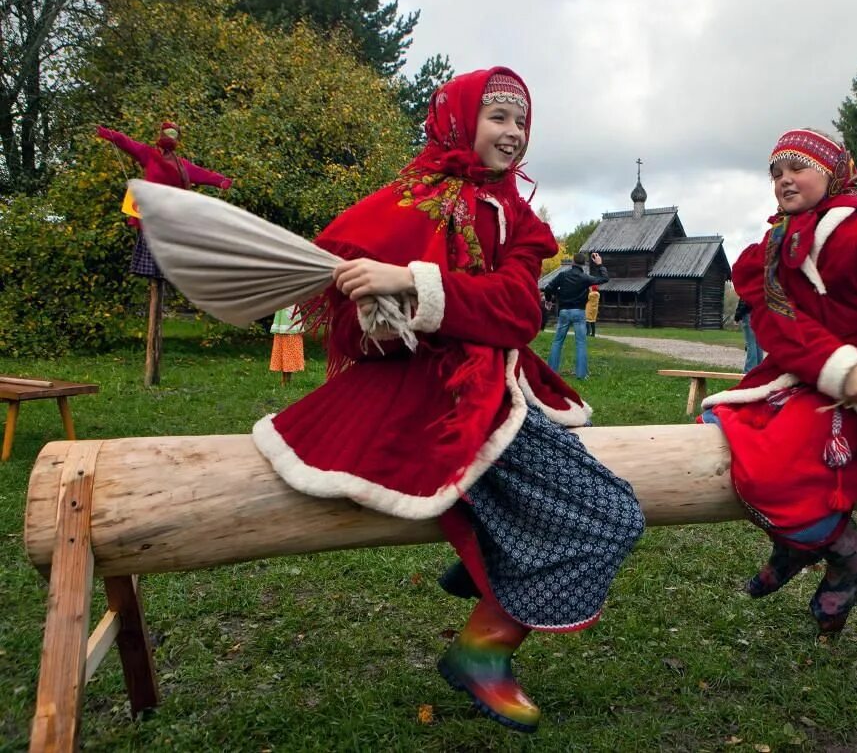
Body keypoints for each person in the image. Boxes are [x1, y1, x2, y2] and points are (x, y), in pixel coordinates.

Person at [251, 68, 644, 733]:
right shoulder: (405, 202)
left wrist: (411, 283)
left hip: (492, 394)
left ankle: (489, 582)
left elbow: (519, 311)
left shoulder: (519, 218)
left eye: (522, 121)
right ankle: (481, 649)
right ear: (459, 119)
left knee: (613, 513)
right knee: (614, 513)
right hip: (427, 403)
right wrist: (377, 309)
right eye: (498, 116)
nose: (513, 133)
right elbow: (351, 323)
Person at [699, 128, 857, 634]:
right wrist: (828, 365)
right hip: (810, 372)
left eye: (798, 167)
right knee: (718, 420)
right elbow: (779, 325)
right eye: (775, 172)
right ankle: (798, 544)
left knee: (769, 468)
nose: (784, 180)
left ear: (833, 171)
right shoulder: (776, 245)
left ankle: (850, 551)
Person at [96, 122, 232, 279]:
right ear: (161, 134)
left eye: (173, 135)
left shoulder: (182, 165)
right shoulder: (149, 154)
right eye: (168, 133)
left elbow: (203, 174)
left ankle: (160, 298)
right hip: (151, 218)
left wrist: (221, 181)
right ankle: (155, 300)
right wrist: (109, 134)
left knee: (164, 273)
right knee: (154, 276)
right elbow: (127, 143)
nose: (170, 137)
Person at [547, 251, 609, 378]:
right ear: (583, 264)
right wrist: (599, 265)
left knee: (557, 342)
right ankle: (581, 374)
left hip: (564, 311)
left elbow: (548, 288)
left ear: (573, 262)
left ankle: (551, 372)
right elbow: (604, 278)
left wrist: (549, 299)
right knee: (580, 343)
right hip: (579, 312)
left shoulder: (563, 276)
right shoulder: (585, 278)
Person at [269, 305, 305, 385]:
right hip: (283, 329)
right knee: (283, 351)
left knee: (291, 352)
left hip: (293, 329)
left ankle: (289, 376)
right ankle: (284, 378)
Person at [733, 299, 763, 372]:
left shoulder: (748, 287)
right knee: (758, 344)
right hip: (760, 315)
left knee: (751, 343)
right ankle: (759, 369)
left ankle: (749, 370)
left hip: (749, 314)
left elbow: (744, 301)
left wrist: (737, 317)